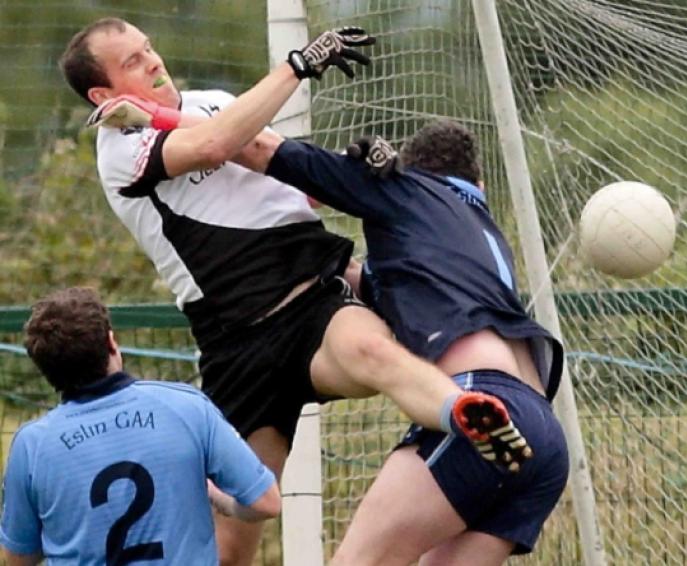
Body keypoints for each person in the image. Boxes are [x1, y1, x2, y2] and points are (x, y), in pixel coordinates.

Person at [59, 18, 531, 564]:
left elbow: (289, 173)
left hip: (314, 300)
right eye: (133, 62)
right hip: (237, 344)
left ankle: (467, 411)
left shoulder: (214, 101)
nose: (153, 60)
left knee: (370, 348)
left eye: (148, 48)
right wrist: (298, 66)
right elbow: (214, 145)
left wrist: (375, 171)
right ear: (102, 93)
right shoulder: (119, 148)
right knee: (232, 548)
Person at [248, 120, 570, 565]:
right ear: (480, 184)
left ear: (414, 170)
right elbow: (375, 284)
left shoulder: (406, 187)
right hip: (545, 437)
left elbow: (263, 146)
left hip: (482, 405)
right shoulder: (478, 235)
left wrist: (161, 124)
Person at [0, 287, 281, 566]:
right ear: (111, 342)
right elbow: (266, 503)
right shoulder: (185, 407)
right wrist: (223, 501)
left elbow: (18, 558)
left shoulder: (32, 445)